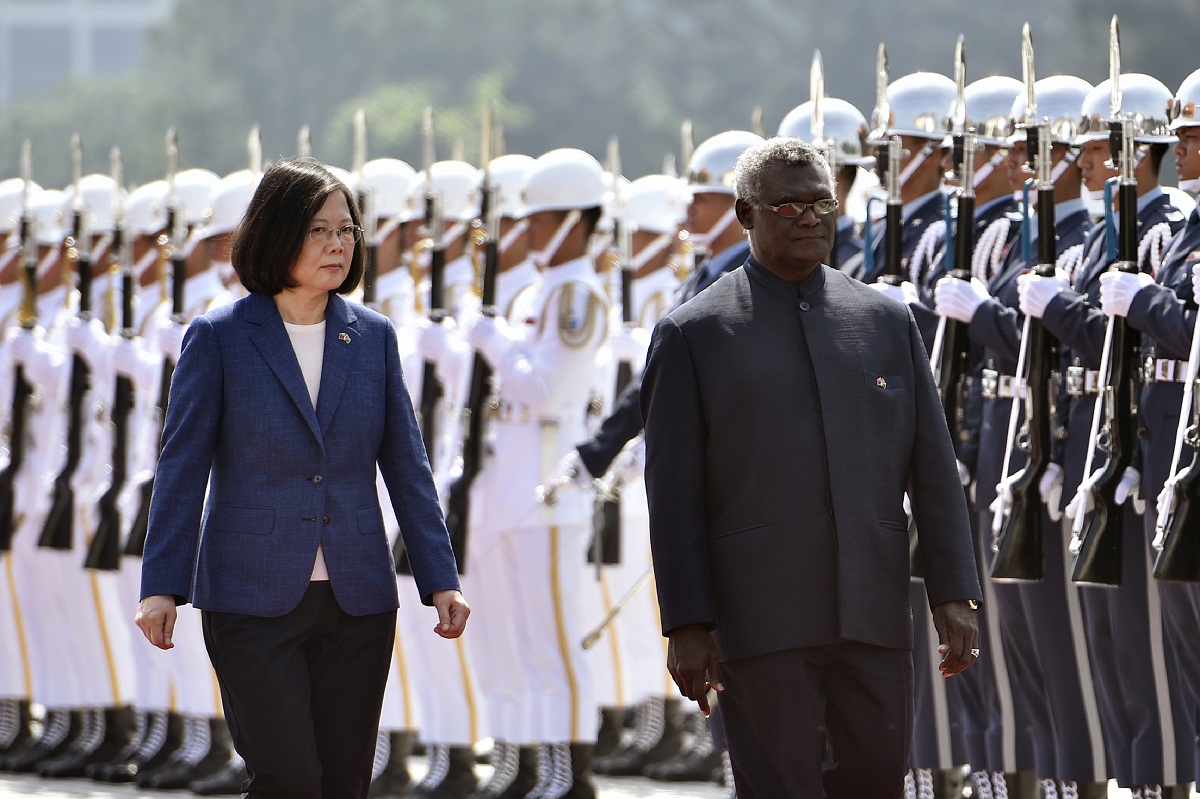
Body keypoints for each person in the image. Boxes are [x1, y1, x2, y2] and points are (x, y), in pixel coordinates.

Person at [639, 136, 982, 798]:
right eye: (788, 204)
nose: (809, 218)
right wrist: (685, 623)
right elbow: (673, 495)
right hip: (761, 622)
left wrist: (954, 592)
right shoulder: (694, 333)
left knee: (876, 785)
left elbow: (933, 468)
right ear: (745, 214)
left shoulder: (884, 320)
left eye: (821, 202)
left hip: (874, 613)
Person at [134, 157, 469, 799]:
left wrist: (440, 578)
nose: (338, 244)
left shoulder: (371, 338)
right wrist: (162, 586)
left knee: (345, 783)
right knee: (288, 779)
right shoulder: (219, 337)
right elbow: (181, 467)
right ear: (277, 233)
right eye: (319, 230)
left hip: (356, 599)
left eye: (346, 230)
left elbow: (407, 466)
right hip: (250, 598)